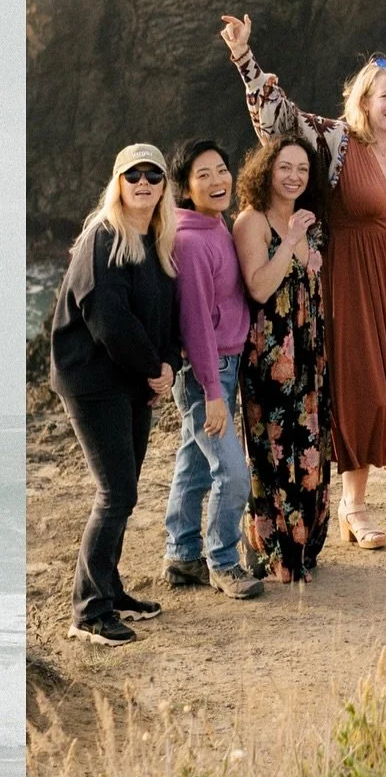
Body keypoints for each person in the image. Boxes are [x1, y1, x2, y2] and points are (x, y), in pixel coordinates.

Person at [219, 14, 386, 557]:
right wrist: (245, 60)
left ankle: (353, 505)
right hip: (347, 283)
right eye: (384, 95)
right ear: (364, 101)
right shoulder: (338, 141)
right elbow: (281, 124)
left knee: (384, 390)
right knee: (367, 392)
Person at [50, 144, 179, 645]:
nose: (143, 182)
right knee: (116, 492)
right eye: (133, 175)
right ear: (118, 183)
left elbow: (167, 314)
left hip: (131, 379)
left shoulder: (157, 241)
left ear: (164, 186)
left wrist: (168, 365)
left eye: (153, 174)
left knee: (123, 493)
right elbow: (108, 318)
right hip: (92, 380)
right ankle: (87, 610)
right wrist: (154, 371)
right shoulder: (103, 238)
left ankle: (109, 589)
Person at [162, 137, 264, 600]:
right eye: (202, 175)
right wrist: (214, 391)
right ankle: (223, 560)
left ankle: (182, 555)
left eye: (221, 169)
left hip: (222, 365)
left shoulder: (214, 225)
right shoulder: (190, 241)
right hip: (207, 372)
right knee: (232, 472)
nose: (217, 180)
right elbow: (196, 324)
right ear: (185, 188)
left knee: (194, 464)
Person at [232, 135, 331, 584]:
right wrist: (290, 238)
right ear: (266, 170)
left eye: (303, 171)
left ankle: (306, 546)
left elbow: (313, 273)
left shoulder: (311, 219)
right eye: (285, 167)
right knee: (275, 446)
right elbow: (259, 288)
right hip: (270, 350)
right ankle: (276, 550)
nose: (294, 177)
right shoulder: (251, 221)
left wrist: (302, 237)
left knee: (310, 440)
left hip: (309, 344)